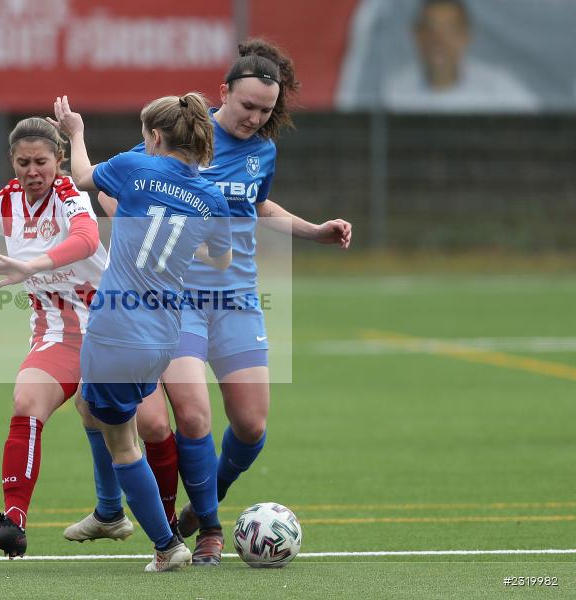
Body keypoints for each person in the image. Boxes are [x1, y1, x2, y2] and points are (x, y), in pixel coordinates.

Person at [64, 38, 352, 566]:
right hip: (178, 303)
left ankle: (203, 505)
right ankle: (209, 530)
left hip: (238, 299)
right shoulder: (181, 135)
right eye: (248, 107)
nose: (256, 119)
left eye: (266, 111)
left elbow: (259, 204)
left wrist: (315, 231)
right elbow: (119, 190)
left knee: (251, 426)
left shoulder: (263, 150)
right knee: (191, 415)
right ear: (224, 93)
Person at [52, 92, 233, 572]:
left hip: (116, 326)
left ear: (154, 137)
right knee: (89, 405)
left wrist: (75, 132)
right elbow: (221, 258)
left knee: (124, 442)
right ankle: (108, 511)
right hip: (164, 331)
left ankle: (165, 544)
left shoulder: (136, 169)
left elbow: (82, 177)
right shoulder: (211, 197)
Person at [0, 117, 111, 558]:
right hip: (57, 333)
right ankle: (14, 523)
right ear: (12, 163)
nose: (32, 171)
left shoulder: (70, 196)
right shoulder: (6, 200)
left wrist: (33, 266)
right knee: (25, 402)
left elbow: (88, 240)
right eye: (23, 162)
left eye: (41, 161)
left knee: (141, 425)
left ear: (59, 160)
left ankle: (174, 521)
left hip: (112, 324)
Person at [382, 0, 539, 112]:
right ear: (416, 35)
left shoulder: (499, 88)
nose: (438, 40)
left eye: (449, 30)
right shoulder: (395, 89)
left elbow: (536, 135)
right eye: (430, 28)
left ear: (466, 36)